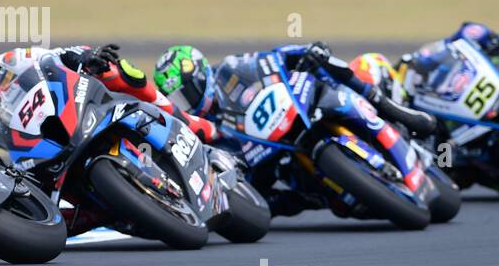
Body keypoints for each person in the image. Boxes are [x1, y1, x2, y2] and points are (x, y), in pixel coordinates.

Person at [154, 42, 436, 216]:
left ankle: (395, 112)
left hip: (295, 109)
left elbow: (269, 59)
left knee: (330, 73)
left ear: (201, 74)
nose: (186, 101)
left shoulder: (229, 69)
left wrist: (304, 53)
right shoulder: (198, 124)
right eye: (178, 99)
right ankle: (320, 196)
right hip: (268, 155)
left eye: (186, 92)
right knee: (284, 201)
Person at [0, 35, 219, 160]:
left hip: (69, 113)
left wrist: (87, 57)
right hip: (34, 162)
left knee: (116, 70)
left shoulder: (11, 60)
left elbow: (55, 56)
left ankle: (185, 120)